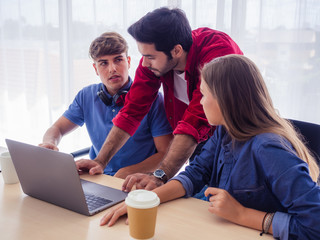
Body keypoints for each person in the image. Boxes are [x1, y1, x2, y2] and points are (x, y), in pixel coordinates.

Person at [100, 54, 320, 239]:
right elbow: (197, 172)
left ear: (226, 100)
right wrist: (148, 201)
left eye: (204, 94)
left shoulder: (268, 148)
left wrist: (242, 214)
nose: (200, 102)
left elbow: (315, 224)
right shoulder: (225, 130)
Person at [76, 7, 243, 191]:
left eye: (149, 57)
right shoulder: (157, 59)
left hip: (234, 142)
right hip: (197, 144)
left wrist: (160, 175)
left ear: (177, 51)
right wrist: (100, 161)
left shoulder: (216, 51)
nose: (145, 63)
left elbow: (195, 120)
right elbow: (132, 110)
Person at [39, 32, 173, 178]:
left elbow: (165, 153)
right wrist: (49, 142)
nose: (112, 69)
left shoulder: (153, 99)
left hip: (136, 180)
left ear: (128, 61)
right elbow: (57, 128)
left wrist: (127, 172)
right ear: (95, 69)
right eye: (104, 63)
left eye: (118, 60)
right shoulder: (86, 95)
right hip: (97, 176)